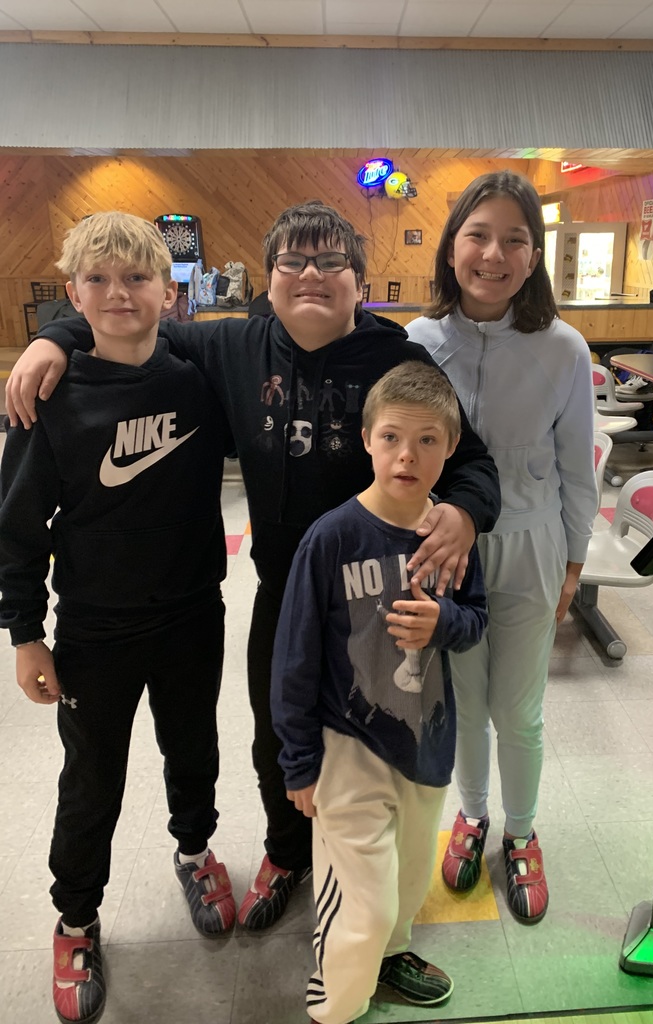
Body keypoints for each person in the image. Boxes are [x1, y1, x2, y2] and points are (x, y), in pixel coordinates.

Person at [5, 200, 501, 940]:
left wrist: (462, 512)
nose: (311, 274)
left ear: (358, 280)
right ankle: (284, 853)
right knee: (278, 740)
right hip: (285, 593)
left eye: (331, 261)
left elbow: (473, 462)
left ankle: (379, 890)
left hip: (381, 599)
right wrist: (55, 338)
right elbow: (129, 318)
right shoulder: (231, 347)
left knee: (386, 734)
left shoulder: (398, 357)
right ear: (267, 280)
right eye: (292, 261)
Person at [0, 212, 236, 1024]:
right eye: (96, 281)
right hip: (95, 629)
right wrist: (24, 631)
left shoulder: (197, 377)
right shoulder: (51, 392)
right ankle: (76, 919)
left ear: (171, 292)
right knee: (90, 779)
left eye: (137, 278)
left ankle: (196, 850)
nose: (117, 294)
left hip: (191, 616)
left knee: (193, 746)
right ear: (72, 293)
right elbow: (19, 525)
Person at [407, 172, 597, 924]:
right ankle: (473, 814)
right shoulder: (418, 341)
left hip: (532, 547)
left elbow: (578, 466)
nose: (495, 253)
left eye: (515, 239)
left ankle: (521, 834)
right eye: (479, 235)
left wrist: (575, 562)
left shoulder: (564, 348)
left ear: (534, 255)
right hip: (449, 553)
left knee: (519, 710)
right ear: (453, 247)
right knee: (461, 705)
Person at [272, 361, 487, 1022]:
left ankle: (391, 959)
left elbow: (475, 620)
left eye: (427, 440)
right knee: (361, 904)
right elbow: (295, 658)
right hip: (349, 742)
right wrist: (299, 761)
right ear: (366, 439)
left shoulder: (450, 536)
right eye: (392, 437)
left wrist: (443, 623)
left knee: (406, 880)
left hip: (426, 739)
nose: (407, 455)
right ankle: (333, 1004)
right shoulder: (332, 537)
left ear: (451, 447)